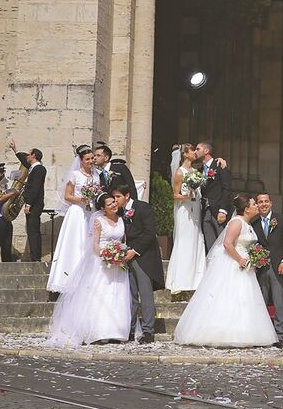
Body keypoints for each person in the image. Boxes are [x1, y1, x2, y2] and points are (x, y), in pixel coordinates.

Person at [174, 194, 278, 347]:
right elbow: (227, 243)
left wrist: (254, 257)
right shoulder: (237, 222)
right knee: (230, 296)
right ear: (246, 209)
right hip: (234, 264)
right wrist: (240, 259)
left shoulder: (247, 223)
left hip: (246, 266)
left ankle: (244, 332)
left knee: (244, 299)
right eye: (253, 204)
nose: (256, 206)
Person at [47, 193, 131, 346]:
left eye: (114, 202)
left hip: (118, 264)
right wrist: (106, 255)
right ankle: (98, 331)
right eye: (109, 204)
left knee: (117, 295)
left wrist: (120, 255)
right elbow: (94, 244)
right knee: (101, 295)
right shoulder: (99, 221)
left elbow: (123, 241)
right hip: (102, 263)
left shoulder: (121, 220)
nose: (114, 205)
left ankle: (115, 332)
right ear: (103, 208)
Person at [47, 145, 101, 293]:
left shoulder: (96, 175)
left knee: (90, 241)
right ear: (81, 160)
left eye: (92, 158)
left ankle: (89, 279)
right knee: (77, 242)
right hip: (78, 212)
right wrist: (82, 199)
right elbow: (67, 196)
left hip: (91, 212)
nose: (90, 161)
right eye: (87, 159)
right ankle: (69, 279)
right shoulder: (75, 175)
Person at [113, 185, 164, 344]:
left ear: (127, 196)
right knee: (130, 295)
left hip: (144, 257)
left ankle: (148, 331)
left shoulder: (143, 208)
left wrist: (134, 251)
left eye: (118, 197)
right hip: (126, 257)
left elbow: (150, 233)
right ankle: (129, 329)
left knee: (145, 294)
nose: (115, 200)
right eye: (114, 197)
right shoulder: (119, 212)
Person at [251, 192, 283, 347]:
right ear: (257, 205)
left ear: (271, 203)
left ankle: (280, 335)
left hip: (279, 266)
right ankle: (261, 334)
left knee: (278, 302)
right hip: (261, 268)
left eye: (266, 201)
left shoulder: (281, 219)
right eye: (260, 202)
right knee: (261, 301)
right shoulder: (254, 223)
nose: (263, 204)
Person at [165, 144, 206, 294]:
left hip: (195, 209)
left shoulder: (195, 172)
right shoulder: (180, 172)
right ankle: (181, 279)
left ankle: (196, 278)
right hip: (185, 210)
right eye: (192, 150)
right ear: (185, 154)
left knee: (196, 239)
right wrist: (187, 197)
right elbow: (175, 195)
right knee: (185, 240)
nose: (195, 152)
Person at [9, 140, 46, 262]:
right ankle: (35, 256)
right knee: (31, 230)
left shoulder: (39, 169)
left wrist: (28, 204)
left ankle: (36, 257)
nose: (27, 156)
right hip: (33, 204)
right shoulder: (34, 167)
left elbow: (35, 188)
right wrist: (15, 150)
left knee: (33, 230)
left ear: (34, 155)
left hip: (34, 204)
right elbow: (24, 161)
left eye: (29, 154)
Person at [197, 141, 233, 252]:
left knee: (221, 243)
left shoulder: (219, 166)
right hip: (205, 210)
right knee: (209, 243)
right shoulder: (198, 169)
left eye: (198, 149)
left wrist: (223, 210)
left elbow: (227, 188)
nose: (195, 151)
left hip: (218, 210)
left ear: (206, 150)